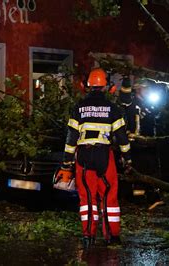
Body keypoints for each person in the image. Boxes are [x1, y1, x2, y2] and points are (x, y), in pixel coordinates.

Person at [56, 68, 133, 248]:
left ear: (87, 86)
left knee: (87, 199)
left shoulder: (79, 109)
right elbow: (122, 138)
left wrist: (67, 163)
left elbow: (71, 140)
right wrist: (127, 159)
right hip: (105, 156)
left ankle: (88, 237)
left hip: (84, 157)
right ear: (106, 87)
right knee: (109, 198)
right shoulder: (112, 109)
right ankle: (112, 237)